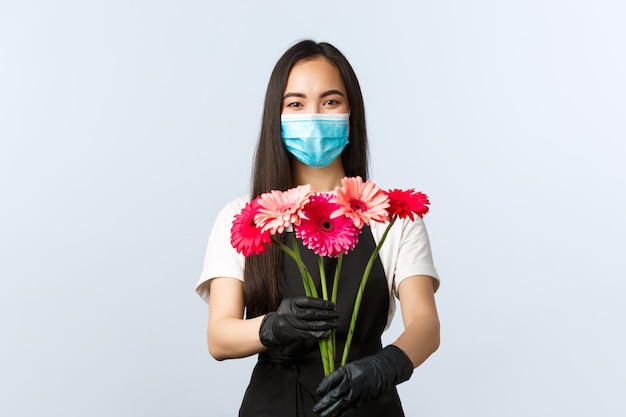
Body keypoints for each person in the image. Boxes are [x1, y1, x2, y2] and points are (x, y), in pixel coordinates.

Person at [195, 40, 440, 417]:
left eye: (330, 101)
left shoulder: (391, 215)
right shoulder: (242, 217)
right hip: (274, 405)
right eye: (295, 103)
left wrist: (385, 365)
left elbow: (425, 323)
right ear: (275, 116)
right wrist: (272, 327)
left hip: (366, 402)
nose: (314, 115)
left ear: (350, 112)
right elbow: (219, 337)